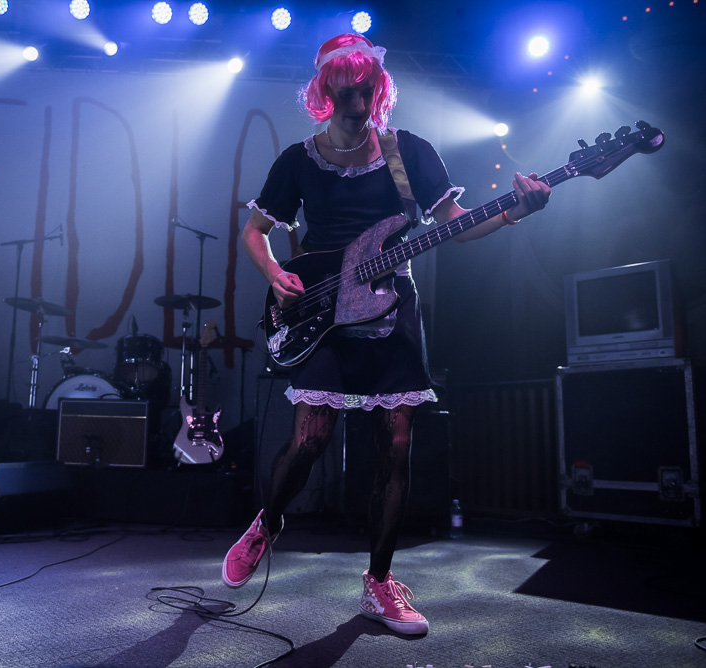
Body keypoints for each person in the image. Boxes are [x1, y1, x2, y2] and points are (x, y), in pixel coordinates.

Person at [221, 33, 551, 634]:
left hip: (390, 305)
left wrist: (515, 210)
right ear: (326, 90)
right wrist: (274, 274)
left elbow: (452, 225)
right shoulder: (298, 161)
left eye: (368, 83)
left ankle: (379, 583)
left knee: (396, 444)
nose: (359, 94)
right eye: (346, 84)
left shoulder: (409, 153)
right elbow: (254, 231)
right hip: (322, 311)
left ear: (379, 88)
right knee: (312, 436)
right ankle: (268, 523)